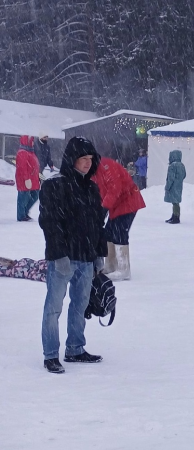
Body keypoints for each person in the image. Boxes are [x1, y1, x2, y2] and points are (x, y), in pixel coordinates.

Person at [39, 137, 108, 373]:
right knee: (53, 307)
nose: (88, 163)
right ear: (72, 159)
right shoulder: (54, 185)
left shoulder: (92, 188)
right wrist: (59, 256)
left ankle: (75, 348)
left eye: (91, 159)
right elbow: (50, 223)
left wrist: (100, 253)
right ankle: (50, 355)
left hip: (87, 258)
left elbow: (98, 223)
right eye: (83, 159)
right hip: (63, 259)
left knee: (80, 306)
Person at [91, 157, 146, 281]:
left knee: (119, 232)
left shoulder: (107, 166)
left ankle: (124, 269)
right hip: (115, 205)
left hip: (128, 201)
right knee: (109, 232)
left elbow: (114, 189)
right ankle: (110, 265)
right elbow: (98, 193)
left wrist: (104, 208)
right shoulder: (93, 173)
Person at [15, 135, 41, 222]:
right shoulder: (22, 152)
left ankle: (24, 212)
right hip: (24, 179)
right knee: (23, 198)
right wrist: (26, 179)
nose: (33, 143)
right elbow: (22, 168)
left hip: (33, 179)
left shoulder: (30, 152)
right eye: (32, 140)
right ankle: (21, 216)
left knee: (35, 195)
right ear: (27, 141)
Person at [164, 150, 186, 224]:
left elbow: (171, 178)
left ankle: (176, 217)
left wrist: (167, 187)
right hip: (179, 186)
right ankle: (174, 216)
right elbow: (184, 175)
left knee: (175, 202)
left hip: (173, 186)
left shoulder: (172, 165)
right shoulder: (182, 165)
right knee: (176, 202)